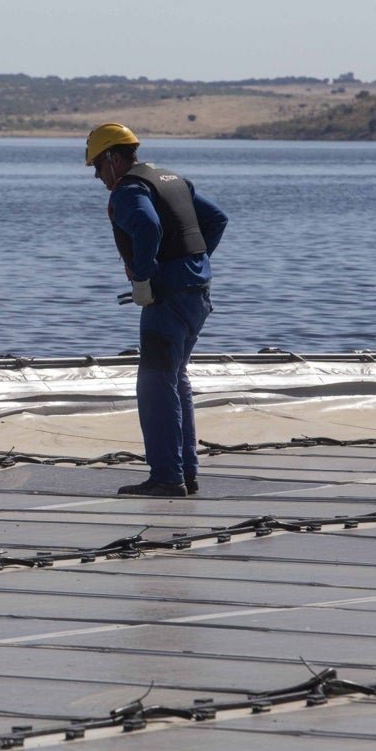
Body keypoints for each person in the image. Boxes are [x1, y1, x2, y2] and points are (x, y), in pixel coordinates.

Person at [85, 123, 229, 497]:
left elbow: (147, 226)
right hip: (197, 294)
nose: (99, 177)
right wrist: (192, 264)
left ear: (114, 159)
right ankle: (186, 472)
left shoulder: (129, 189)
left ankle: (167, 477)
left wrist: (146, 277)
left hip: (168, 300)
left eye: (98, 167)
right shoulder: (172, 179)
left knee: (153, 385)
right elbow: (215, 220)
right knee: (175, 379)